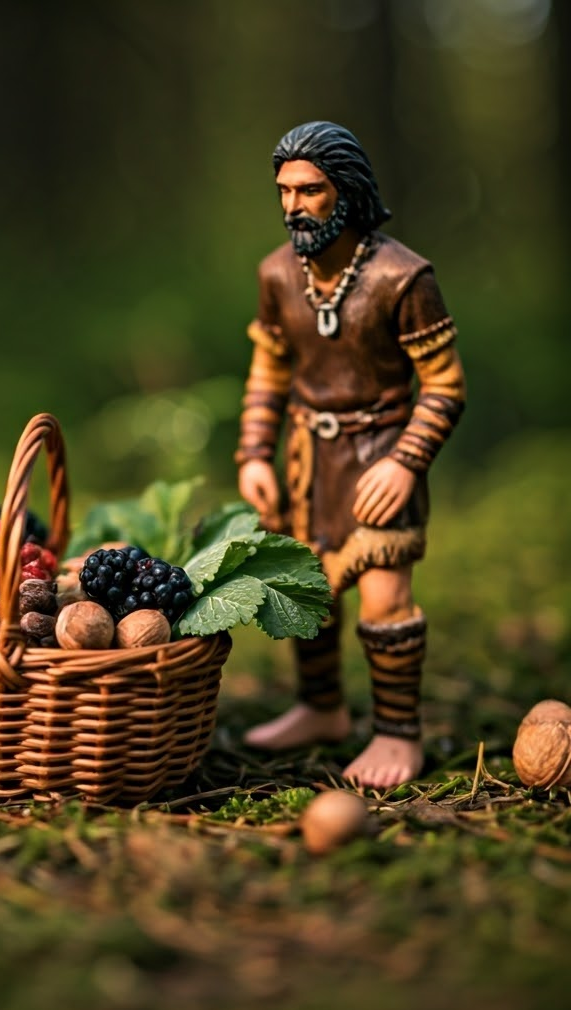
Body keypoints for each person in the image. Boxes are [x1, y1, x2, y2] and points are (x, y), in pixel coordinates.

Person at [235, 121, 466, 788]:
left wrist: (405, 462)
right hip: (309, 462)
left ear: (348, 189)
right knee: (309, 588)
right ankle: (321, 707)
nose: (293, 206)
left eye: (310, 190)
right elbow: (269, 372)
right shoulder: (278, 275)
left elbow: (446, 384)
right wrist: (255, 452)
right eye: (284, 191)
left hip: (381, 458)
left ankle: (398, 734)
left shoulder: (403, 277)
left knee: (384, 601)